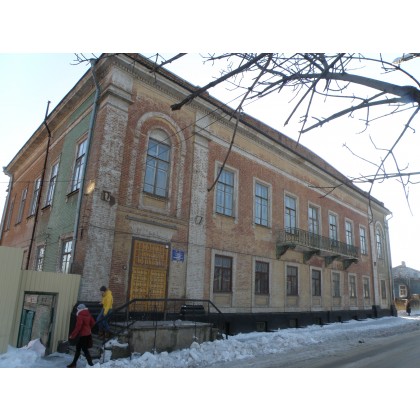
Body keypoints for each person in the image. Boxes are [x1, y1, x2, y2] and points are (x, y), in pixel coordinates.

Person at [67, 303, 95, 368]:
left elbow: (78, 327)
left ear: (79, 309)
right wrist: (88, 328)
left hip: (82, 335)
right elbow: (93, 323)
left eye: (77, 309)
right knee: (84, 349)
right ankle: (90, 364)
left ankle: (90, 364)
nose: (77, 310)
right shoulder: (88, 314)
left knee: (80, 350)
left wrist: (72, 335)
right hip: (88, 334)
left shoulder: (80, 315)